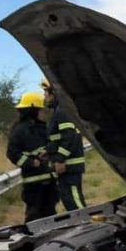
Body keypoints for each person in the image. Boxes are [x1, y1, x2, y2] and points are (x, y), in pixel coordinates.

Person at [6, 90, 58, 223]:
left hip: (49, 179)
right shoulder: (20, 130)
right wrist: (30, 163)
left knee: (50, 214)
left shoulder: (42, 127)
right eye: (40, 110)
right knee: (34, 215)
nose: (43, 113)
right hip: (33, 182)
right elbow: (12, 153)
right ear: (33, 111)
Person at [42, 80, 87, 211]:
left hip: (69, 166)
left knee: (75, 203)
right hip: (66, 167)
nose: (45, 96)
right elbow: (59, 138)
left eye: (46, 92)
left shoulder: (62, 111)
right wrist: (49, 151)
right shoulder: (60, 111)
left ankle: (88, 226)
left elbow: (69, 136)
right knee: (69, 201)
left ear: (54, 93)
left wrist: (60, 159)